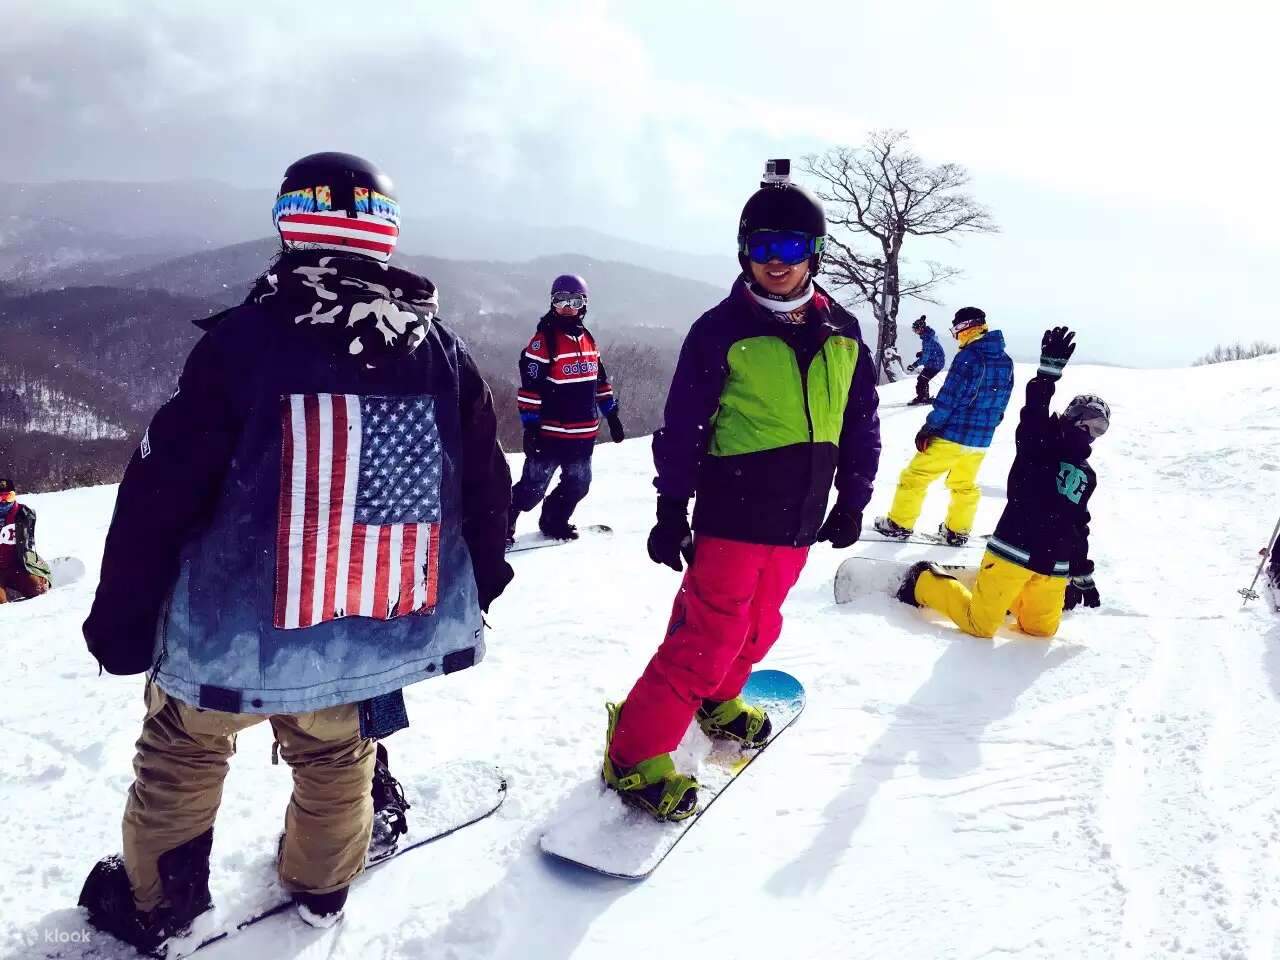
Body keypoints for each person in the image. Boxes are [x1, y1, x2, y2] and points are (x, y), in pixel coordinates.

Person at [76, 152, 514, 954]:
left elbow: (160, 489)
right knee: (338, 747)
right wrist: (487, 575)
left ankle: (159, 901)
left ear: (288, 228)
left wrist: (123, 615)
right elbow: (483, 481)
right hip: (357, 622)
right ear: (385, 237)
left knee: (183, 747)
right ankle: (322, 882)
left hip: (227, 627)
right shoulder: (439, 352)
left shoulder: (242, 346)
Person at [602, 159, 881, 820]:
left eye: (789, 248)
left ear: (813, 253)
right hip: (733, 515)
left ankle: (720, 700)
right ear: (743, 252)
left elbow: (860, 420)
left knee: (759, 627)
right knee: (707, 639)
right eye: (761, 248)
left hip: (800, 520)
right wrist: (672, 509)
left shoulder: (843, 333)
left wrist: (854, 498)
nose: (775, 262)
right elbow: (682, 427)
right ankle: (634, 755)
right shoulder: (721, 330)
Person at [896, 327, 1105, 637]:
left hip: (1052, 566)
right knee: (981, 626)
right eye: (1087, 421)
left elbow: (1077, 524)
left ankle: (1001, 595)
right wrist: (1046, 378)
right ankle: (925, 580)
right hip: (1013, 549)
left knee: (1040, 631)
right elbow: (1033, 413)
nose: (1090, 431)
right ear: (1071, 416)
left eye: (1100, 428)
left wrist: (1080, 571)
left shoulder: (1086, 476)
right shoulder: (1040, 444)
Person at [873, 306, 1014, 546]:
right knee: (964, 484)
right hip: (979, 441)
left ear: (966, 328)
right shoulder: (1005, 361)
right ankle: (957, 531)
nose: (955, 336)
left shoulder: (968, 357)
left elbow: (949, 398)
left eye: (956, 330)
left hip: (952, 433)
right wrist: (989, 424)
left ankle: (899, 524)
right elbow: (1003, 399)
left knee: (915, 477)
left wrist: (929, 427)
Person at [509, 274, 623, 542]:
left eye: (575, 301)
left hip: (583, 436)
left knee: (578, 485)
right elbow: (530, 389)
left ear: (584, 305)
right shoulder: (543, 342)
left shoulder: (588, 340)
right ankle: (501, 524)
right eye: (561, 301)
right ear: (552, 303)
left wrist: (612, 414)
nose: (568, 307)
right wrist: (531, 427)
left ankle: (554, 519)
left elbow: (600, 382)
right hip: (550, 435)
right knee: (531, 488)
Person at [0, 476, 52, 603]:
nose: (4, 501)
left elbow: (27, 544)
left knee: (37, 589)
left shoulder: (23, 513)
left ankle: (13, 588)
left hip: (17, 565)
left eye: (8, 496)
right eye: (0, 497)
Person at [905, 315, 945, 404]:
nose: (915, 332)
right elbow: (931, 350)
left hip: (935, 363)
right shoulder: (929, 335)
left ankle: (923, 398)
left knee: (922, 379)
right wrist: (922, 353)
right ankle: (923, 397)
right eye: (914, 329)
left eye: (916, 329)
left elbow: (924, 359)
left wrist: (914, 365)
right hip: (935, 361)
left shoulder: (927, 339)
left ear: (921, 329)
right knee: (923, 378)